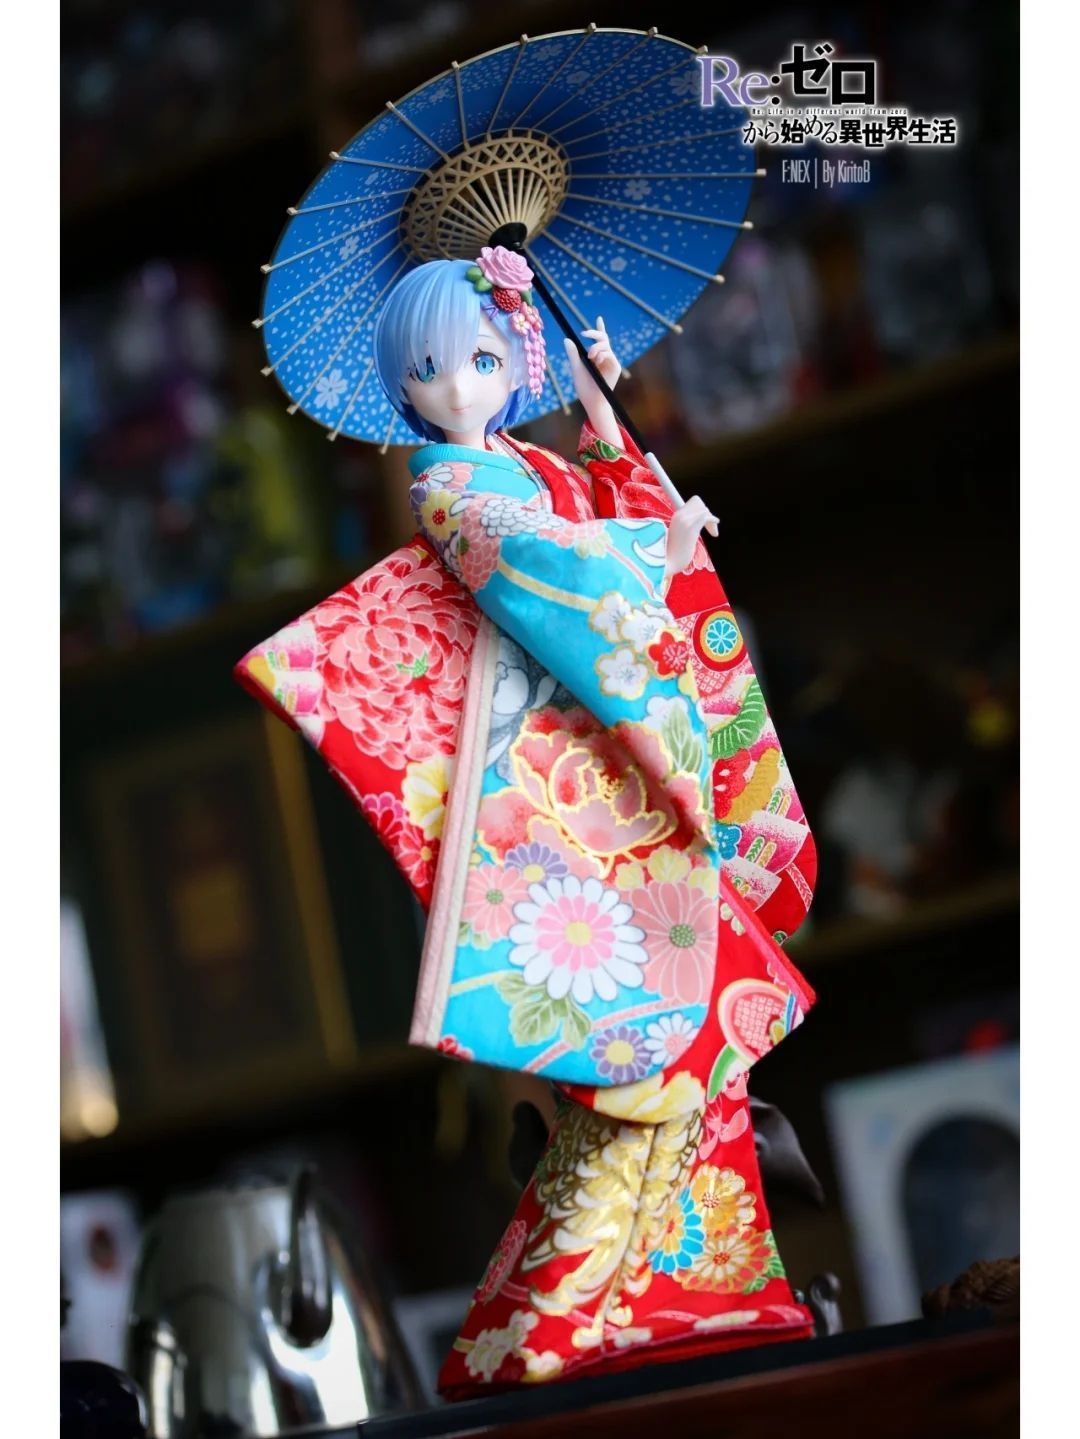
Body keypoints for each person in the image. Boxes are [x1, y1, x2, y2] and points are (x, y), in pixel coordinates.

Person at [236, 246, 819, 1396]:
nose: (458, 387)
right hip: (558, 793)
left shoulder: (525, 461)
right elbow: (557, 578)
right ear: (404, 386)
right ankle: (550, 1319)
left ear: (519, 360)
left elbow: (599, 509)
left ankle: (712, 1286)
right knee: (648, 1039)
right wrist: (651, 551)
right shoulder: (449, 489)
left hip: (613, 774)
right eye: (430, 370)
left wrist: (604, 423)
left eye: (482, 358)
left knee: (692, 1033)